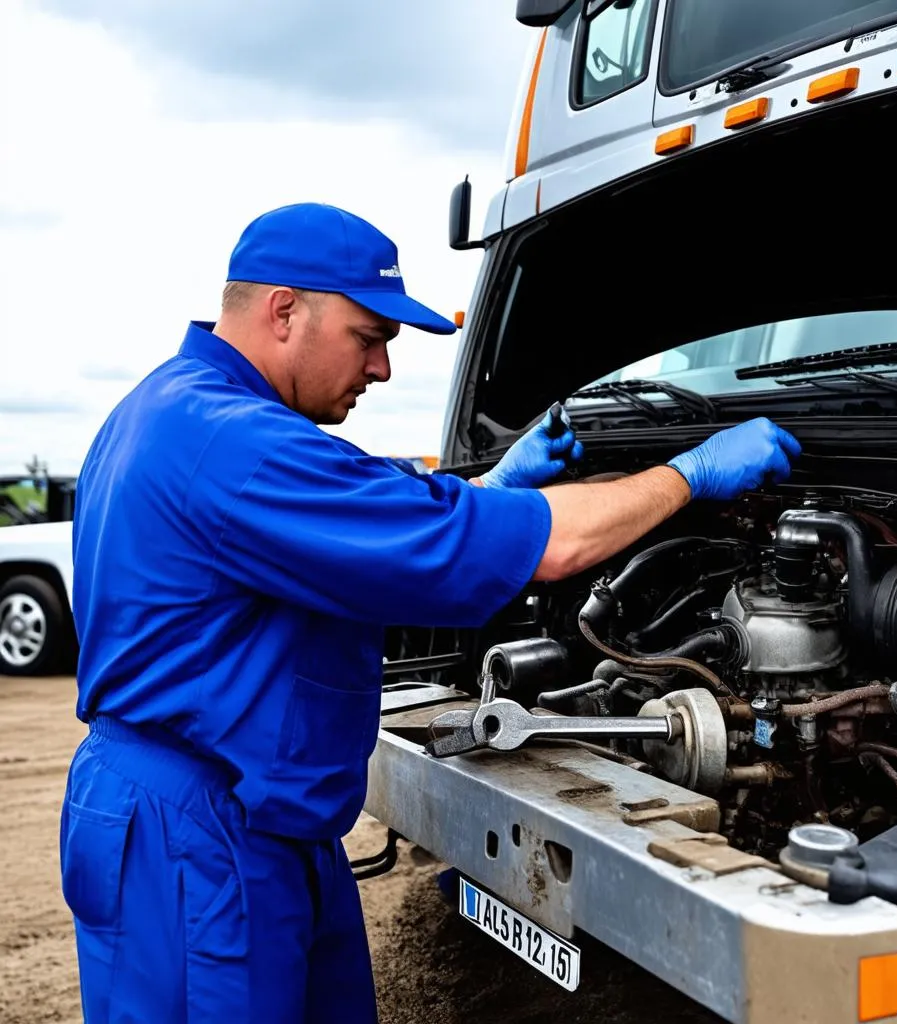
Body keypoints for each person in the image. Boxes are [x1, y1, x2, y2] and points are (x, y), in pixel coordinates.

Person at [61, 202, 801, 1023]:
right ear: (284, 310)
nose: (380, 368)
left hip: (249, 817)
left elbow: (354, 517)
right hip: (198, 840)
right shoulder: (229, 440)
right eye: (369, 335)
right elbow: (544, 552)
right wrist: (689, 474)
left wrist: (489, 492)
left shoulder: (172, 411)